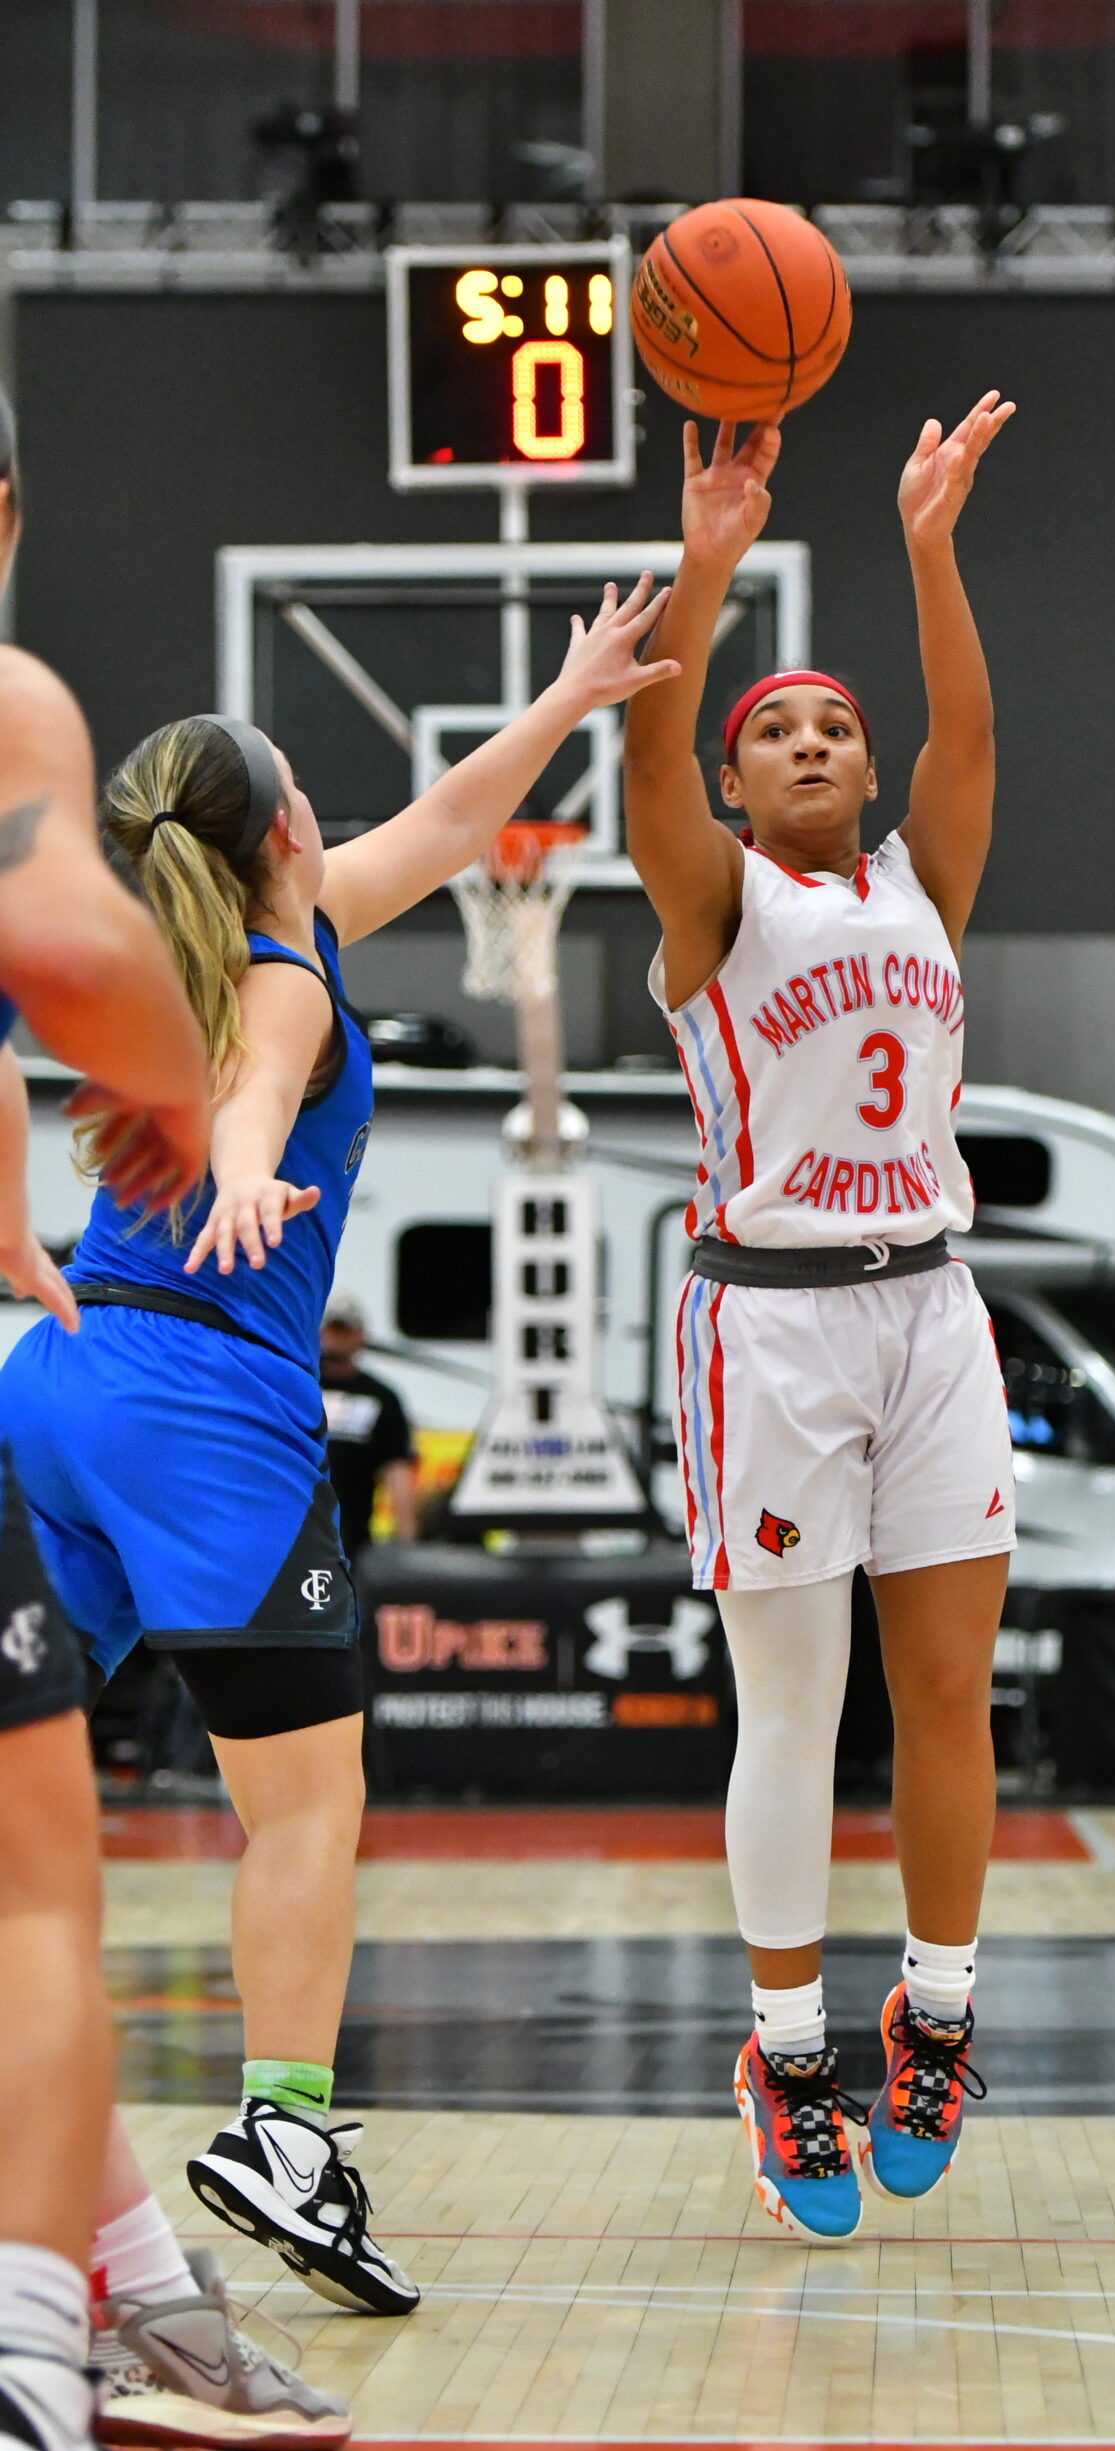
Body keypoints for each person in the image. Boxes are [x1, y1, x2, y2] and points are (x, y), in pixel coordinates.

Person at [0, 577, 678, 2322]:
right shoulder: (287, 970)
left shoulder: (197, 937)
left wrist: (575, 691)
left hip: (62, 1374)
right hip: (203, 1411)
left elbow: (457, 821)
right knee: (305, 1803)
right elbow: (264, 1080)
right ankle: (285, 2133)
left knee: (27, 1795)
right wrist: (240, 1166)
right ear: (286, 828)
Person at [623, 398, 1015, 2240]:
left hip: (930, 1310)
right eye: (770, 729)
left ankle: (933, 2016)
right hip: (766, 1327)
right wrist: (705, 567)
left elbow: (973, 731)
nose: (806, 741)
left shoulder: (925, 875)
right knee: (796, 1710)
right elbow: (642, 782)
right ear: (734, 776)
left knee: (948, 1688)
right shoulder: (713, 898)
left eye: (829, 727)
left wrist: (928, 545)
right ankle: (786, 2053)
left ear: (863, 770)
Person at [0, 385, 224, 2451]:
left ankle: (136, 2287)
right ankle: (26, 2359)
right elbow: (69, 955)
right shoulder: (10, 702)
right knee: (34, 1880)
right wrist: (161, 1082)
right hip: (164, 1383)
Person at [319, 1297, 415, 1559]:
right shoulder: (300, 1388)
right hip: (296, 1532)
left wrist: (406, 1548)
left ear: (360, 1335)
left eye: (344, 1330)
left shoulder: (381, 1397)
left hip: (353, 1543)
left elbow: (397, 1470)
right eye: (331, 1329)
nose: (336, 1338)